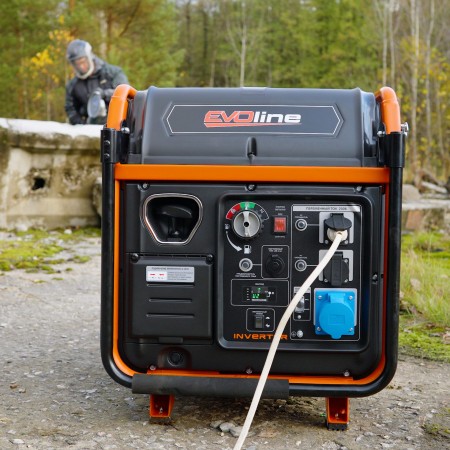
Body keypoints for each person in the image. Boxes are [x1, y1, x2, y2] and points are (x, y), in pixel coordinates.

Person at [65, 39, 128, 124]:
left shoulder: (113, 73)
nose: (81, 67)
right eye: (77, 64)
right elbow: (70, 109)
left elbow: (125, 94)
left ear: (89, 56)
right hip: (89, 129)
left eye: (83, 62)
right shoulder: (73, 85)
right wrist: (83, 125)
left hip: (118, 125)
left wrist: (104, 94)